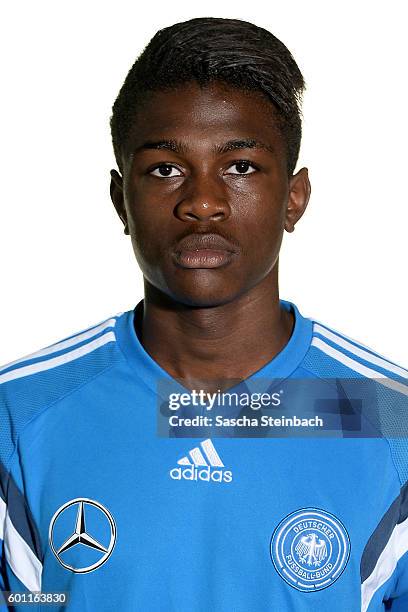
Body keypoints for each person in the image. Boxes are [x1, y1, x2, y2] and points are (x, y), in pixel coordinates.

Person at [0, 16, 407, 612]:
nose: (202, 203)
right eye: (166, 169)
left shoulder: (386, 417)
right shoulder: (19, 415)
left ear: (294, 198)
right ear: (122, 200)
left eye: (240, 166)